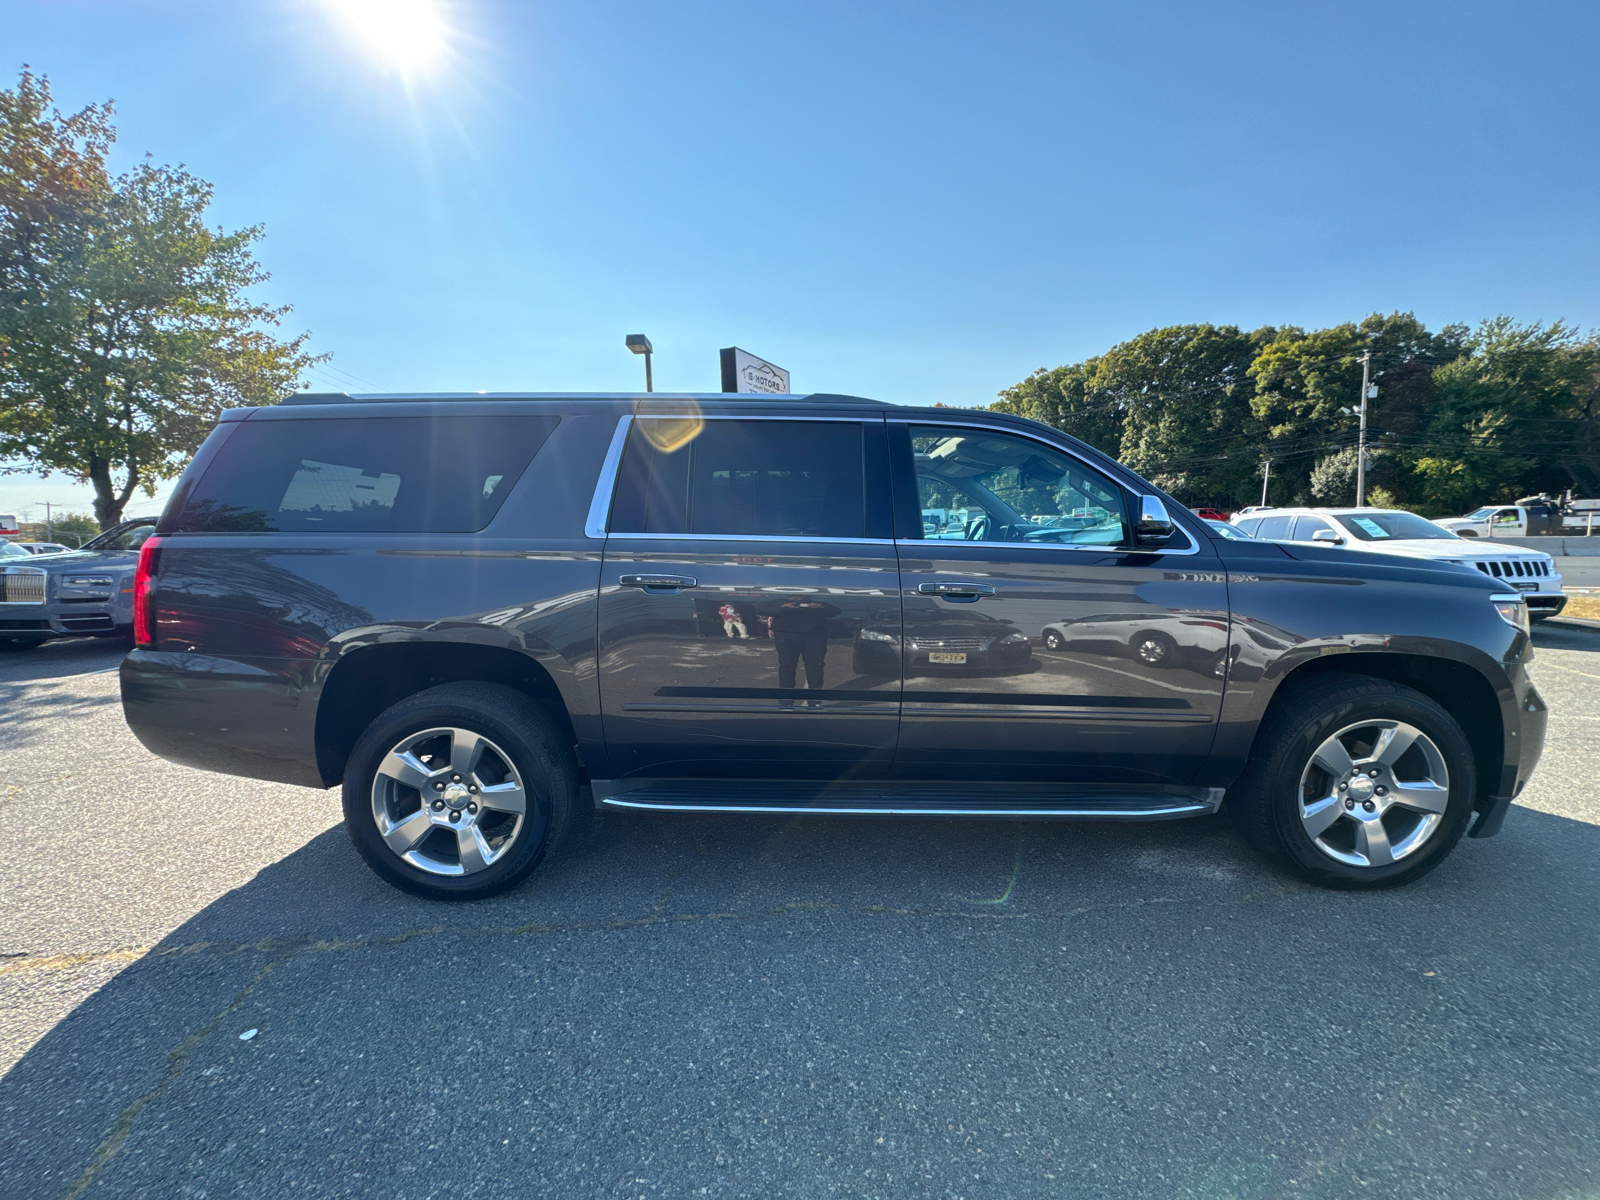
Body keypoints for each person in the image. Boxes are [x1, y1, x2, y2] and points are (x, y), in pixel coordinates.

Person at [757, 596, 841, 698]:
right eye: (794, 596)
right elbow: (761, 609)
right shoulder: (779, 603)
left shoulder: (815, 604)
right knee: (787, 667)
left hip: (814, 637)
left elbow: (836, 611)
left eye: (800, 596)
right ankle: (786, 700)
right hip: (786, 636)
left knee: (814, 667)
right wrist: (784, 607)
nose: (797, 599)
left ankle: (814, 699)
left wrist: (820, 606)